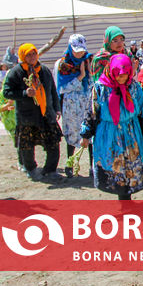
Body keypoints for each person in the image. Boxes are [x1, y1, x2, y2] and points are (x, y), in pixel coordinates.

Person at [80, 54, 143, 200]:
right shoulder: (100, 88)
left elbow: (142, 110)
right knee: (115, 166)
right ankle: (123, 199)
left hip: (131, 133)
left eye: (125, 74)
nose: (122, 78)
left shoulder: (134, 87)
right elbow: (92, 112)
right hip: (109, 134)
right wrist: (86, 134)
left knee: (130, 165)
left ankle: (127, 197)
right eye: (119, 75)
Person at [3, 44, 63, 181]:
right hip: (27, 116)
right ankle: (31, 169)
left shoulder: (44, 70)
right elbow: (7, 92)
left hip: (46, 113)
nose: (32, 57)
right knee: (27, 145)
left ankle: (50, 170)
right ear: (23, 56)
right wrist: (25, 93)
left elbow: (52, 90)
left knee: (53, 141)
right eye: (28, 55)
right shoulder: (16, 72)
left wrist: (57, 108)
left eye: (34, 54)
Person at [55, 34, 93, 178]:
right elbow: (63, 88)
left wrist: (88, 73)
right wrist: (81, 76)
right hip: (71, 106)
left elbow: (92, 83)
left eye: (82, 50)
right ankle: (69, 164)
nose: (80, 53)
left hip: (85, 103)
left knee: (89, 135)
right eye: (77, 50)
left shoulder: (88, 60)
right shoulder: (64, 64)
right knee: (71, 134)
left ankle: (91, 166)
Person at [0, 78, 18, 168]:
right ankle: (22, 162)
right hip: (10, 122)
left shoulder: (18, 91)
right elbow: (0, 108)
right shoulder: (2, 93)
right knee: (17, 142)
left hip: (22, 119)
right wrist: (9, 105)